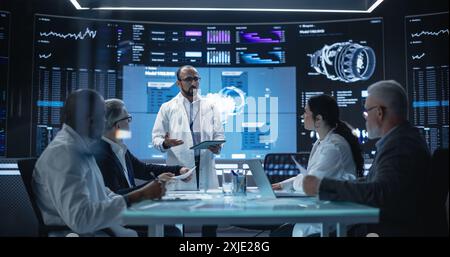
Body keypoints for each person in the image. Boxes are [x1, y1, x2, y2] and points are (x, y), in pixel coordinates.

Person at [303, 80, 431, 236]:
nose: (364, 117)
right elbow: (374, 183)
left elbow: (380, 192)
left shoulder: (399, 146)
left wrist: (322, 187)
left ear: (379, 112)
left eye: (366, 111)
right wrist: (327, 186)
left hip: (384, 230)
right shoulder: (400, 140)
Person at [33, 89, 167, 237]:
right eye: (103, 116)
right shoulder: (64, 153)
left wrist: (139, 198)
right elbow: (81, 220)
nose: (105, 122)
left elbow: (102, 193)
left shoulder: (80, 148)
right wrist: (139, 196)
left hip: (105, 228)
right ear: (89, 120)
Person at [93, 98, 191, 237]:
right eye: (128, 119)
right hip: (119, 221)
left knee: (170, 227)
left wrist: (178, 170)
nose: (130, 123)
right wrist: (153, 185)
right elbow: (115, 196)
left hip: (130, 212)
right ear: (117, 126)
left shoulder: (119, 148)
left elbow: (143, 169)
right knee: (172, 232)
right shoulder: (102, 156)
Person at [271, 94, 364, 236]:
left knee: (279, 234)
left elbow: (311, 184)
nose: (303, 116)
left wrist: (293, 183)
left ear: (318, 119)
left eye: (306, 112)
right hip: (322, 210)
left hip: (332, 218)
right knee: (280, 231)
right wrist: (284, 184)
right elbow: (312, 175)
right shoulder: (323, 142)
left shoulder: (334, 148)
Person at [152, 65, 225, 191]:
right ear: (178, 83)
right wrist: (165, 143)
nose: (194, 83)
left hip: (206, 167)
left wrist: (217, 146)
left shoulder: (211, 106)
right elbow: (156, 138)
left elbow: (219, 135)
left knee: (208, 208)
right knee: (181, 208)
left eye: (196, 79)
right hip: (180, 168)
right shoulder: (167, 107)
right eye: (188, 79)